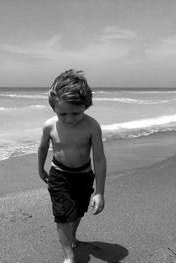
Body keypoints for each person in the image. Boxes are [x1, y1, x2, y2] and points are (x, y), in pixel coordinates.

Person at [37, 69, 106, 263]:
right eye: (62, 113)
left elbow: (99, 159)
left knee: (77, 212)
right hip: (59, 175)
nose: (69, 119)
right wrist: (40, 168)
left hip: (84, 176)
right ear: (53, 109)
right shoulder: (49, 126)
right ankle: (69, 256)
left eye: (76, 113)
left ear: (86, 105)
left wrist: (99, 191)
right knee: (62, 215)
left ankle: (72, 235)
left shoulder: (92, 126)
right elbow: (42, 148)